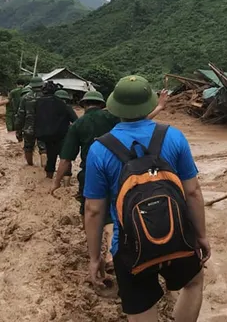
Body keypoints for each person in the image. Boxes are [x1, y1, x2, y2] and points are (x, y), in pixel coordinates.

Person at [84, 76, 208, 321]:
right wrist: (201, 236)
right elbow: (192, 191)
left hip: (129, 247)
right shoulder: (174, 136)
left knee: (141, 306)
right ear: (150, 104)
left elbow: (93, 210)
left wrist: (95, 258)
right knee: (193, 284)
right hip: (179, 238)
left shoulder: (99, 149)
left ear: (115, 106)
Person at [51, 88, 168, 269]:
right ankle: (114, 251)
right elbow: (142, 122)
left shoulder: (78, 125)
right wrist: (159, 106)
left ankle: (95, 251)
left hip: (91, 173)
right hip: (120, 171)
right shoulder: (115, 119)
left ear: (83, 105)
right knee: (117, 210)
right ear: (103, 104)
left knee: (91, 211)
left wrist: (56, 183)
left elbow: (66, 160)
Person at [34, 86, 78, 179]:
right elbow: (76, 121)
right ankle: (66, 184)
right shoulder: (66, 107)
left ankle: (48, 179)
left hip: (50, 138)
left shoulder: (45, 108)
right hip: (64, 137)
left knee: (51, 159)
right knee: (65, 159)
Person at [15, 76, 47, 167]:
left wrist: (18, 130)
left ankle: (30, 166)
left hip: (29, 128)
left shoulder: (25, 98)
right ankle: (44, 168)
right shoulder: (46, 97)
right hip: (44, 128)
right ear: (42, 85)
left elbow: (20, 115)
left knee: (28, 147)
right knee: (43, 148)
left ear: (31, 86)